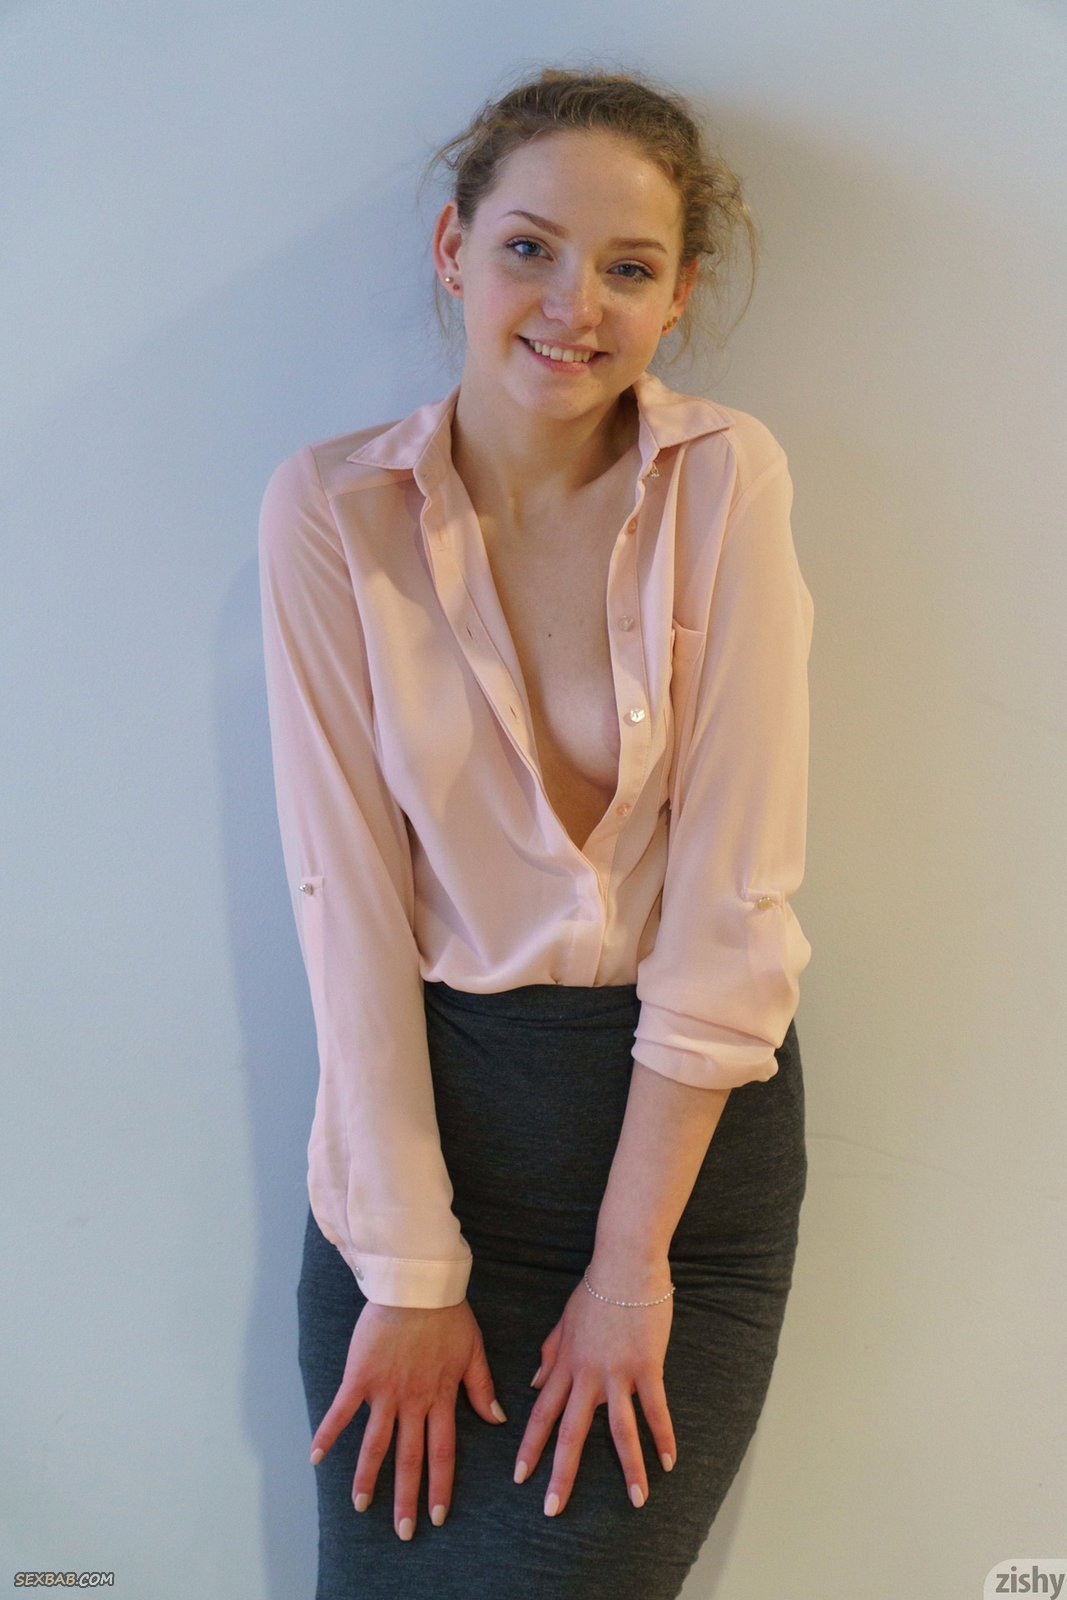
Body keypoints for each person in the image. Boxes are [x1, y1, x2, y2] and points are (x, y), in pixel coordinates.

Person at [258, 64, 814, 1600]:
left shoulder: (724, 480)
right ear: (456, 251)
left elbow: (735, 897)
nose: (575, 305)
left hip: (679, 1176)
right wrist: (409, 1268)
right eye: (529, 248)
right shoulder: (332, 508)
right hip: (428, 1155)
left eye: (629, 268)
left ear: (678, 296)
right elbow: (345, 904)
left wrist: (629, 1270)